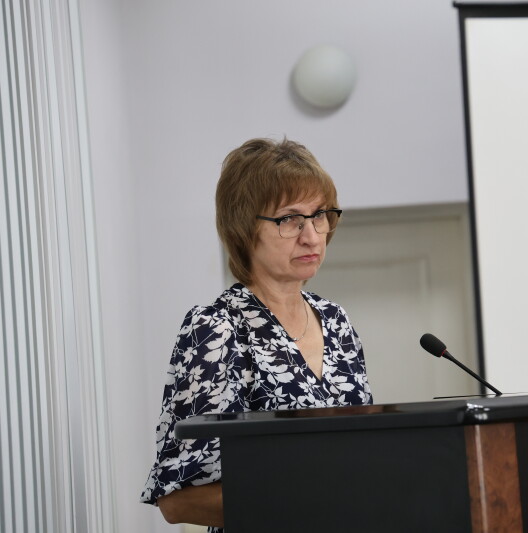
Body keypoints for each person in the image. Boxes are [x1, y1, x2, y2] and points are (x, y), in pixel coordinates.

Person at [139, 138, 372, 531]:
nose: (312, 236)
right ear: (244, 228)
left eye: (319, 215)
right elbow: (179, 499)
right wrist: (317, 503)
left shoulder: (336, 321)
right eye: (290, 219)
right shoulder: (217, 329)